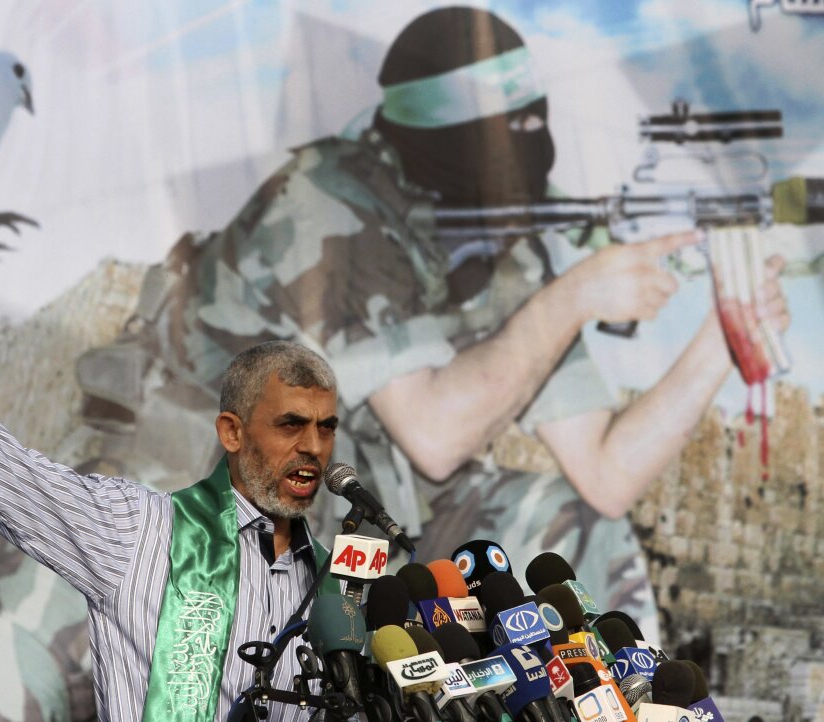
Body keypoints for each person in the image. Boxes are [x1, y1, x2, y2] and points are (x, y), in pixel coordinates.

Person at [73, 5, 790, 637]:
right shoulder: (326, 202)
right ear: (441, 133)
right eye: (507, 127)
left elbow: (605, 474)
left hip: (365, 518)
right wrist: (575, 295)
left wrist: (729, 334)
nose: (532, 140)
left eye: (535, 119)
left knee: (580, 530)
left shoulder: (501, 229)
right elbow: (435, 435)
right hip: (214, 517)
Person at [0, 273, 343, 722]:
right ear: (231, 433)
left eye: (326, 429)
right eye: (291, 425)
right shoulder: (142, 531)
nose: (313, 448)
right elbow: (5, 472)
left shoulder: (331, 586)